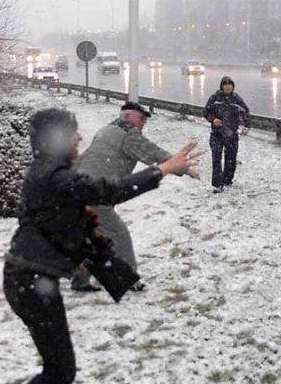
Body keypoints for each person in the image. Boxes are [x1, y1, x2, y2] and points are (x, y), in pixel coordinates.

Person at [0, 107, 200, 384]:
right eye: (74, 133)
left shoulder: (53, 174)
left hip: (34, 280)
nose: (81, 138)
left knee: (60, 365)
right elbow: (107, 191)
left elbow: (85, 233)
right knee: (60, 368)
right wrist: (162, 169)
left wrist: (119, 276)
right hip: (29, 282)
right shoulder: (53, 177)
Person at [70, 101, 198, 293]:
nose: (143, 123)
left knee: (94, 235)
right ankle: (129, 280)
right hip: (96, 193)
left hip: (81, 188)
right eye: (141, 118)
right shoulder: (128, 133)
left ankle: (80, 279)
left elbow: (87, 156)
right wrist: (184, 168)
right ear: (127, 116)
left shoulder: (107, 129)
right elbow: (152, 152)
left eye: (145, 120)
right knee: (118, 234)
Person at [202, 76, 250, 193]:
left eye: (230, 84)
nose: (228, 86)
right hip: (216, 134)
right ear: (221, 86)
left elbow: (246, 112)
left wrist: (247, 126)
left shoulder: (236, 99)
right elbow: (206, 111)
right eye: (225, 84)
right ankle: (217, 184)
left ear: (233, 86)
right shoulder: (215, 98)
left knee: (231, 159)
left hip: (231, 134)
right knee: (216, 159)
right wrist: (213, 119)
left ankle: (227, 180)